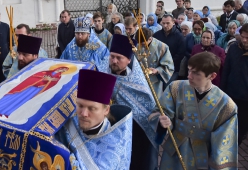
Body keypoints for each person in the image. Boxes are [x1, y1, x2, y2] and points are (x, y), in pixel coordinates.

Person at [151, 53, 238, 169]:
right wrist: (162, 120)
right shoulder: (176, 87)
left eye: (196, 73)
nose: (189, 76)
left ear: (212, 76)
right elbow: (161, 111)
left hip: (203, 157)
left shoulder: (226, 105)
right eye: (189, 70)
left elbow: (225, 145)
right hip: (175, 151)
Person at [55, 69, 133, 169]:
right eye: (80, 105)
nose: (83, 114)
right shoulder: (71, 121)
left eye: (92, 108)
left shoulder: (115, 150)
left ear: (106, 110)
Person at [108, 34, 158, 170]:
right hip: (109, 128)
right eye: (112, 56)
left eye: (119, 58)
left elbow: (148, 108)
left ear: (129, 60)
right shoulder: (102, 73)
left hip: (136, 129)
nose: (114, 61)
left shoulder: (138, 82)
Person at [221, 23, 248, 145]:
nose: (244, 40)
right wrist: (222, 90)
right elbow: (226, 70)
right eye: (242, 36)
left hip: (246, 98)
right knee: (228, 123)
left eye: (247, 38)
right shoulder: (233, 48)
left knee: (241, 126)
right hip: (232, 93)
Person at [136, 28, 174, 98]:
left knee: (154, 102)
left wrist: (157, 70)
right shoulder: (136, 45)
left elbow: (168, 66)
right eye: (140, 44)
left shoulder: (162, 47)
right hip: (139, 80)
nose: (142, 46)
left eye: (144, 44)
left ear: (150, 39)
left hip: (154, 82)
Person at [154, 14, 185, 81]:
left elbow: (180, 54)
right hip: (158, 67)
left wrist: (168, 62)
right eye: (163, 23)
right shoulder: (156, 35)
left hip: (173, 68)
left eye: (168, 23)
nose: (165, 25)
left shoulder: (179, 36)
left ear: (173, 22)